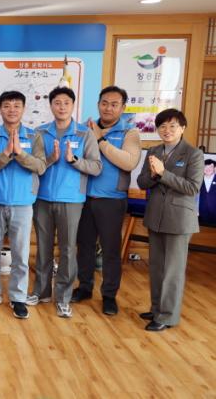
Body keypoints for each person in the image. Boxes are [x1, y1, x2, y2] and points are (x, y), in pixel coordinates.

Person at [28, 87, 102, 318]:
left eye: (66, 103)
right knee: (43, 247)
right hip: (42, 198)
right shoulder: (39, 132)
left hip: (71, 200)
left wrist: (74, 160)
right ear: (51, 105)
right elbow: (34, 165)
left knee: (68, 249)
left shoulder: (84, 134)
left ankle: (63, 298)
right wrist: (51, 159)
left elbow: (96, 167)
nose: (61, 107)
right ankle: (41, 292)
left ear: (73, 105)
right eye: (57, 103)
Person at [0, 91, 46, 320]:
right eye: (6, 105)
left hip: (23, 203)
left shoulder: (34, 136)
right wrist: (7, 152)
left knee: (20, 255)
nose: (12, 110)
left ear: (23, 109)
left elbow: (40, 167)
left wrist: (20, 153)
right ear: (0, 109)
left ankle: (18, 297)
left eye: (17, 105)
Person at [72, 86, 141, 315]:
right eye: (104, 103)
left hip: (112, 200)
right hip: (84, 198)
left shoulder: (130, 132)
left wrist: (100, 140)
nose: (108, 108)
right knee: (84, 246)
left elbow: (128, 162)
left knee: (111, 250)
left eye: (114, 104)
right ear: (98, 104)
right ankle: (84, 287)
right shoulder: (85, 128)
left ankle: (109, 295)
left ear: (123, 107)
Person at [137, 108, 203, 331]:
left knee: (172, 271)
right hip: (155, 215)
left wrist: (163, 173)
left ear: (182, 128)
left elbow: (192, 187)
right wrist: (154, 174)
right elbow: (142, 182)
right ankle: (157, 308)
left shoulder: (193, 154)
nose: (167, 130)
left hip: (179, 219)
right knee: (156, 267)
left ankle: (167, 316)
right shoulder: (154, 151)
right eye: (162, 126)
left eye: (173, 126)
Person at [198, 159, 216, 225]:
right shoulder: (198, 180)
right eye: (205, 167)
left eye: (210, 167)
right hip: (201, 213)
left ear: (214, 168)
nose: (208, 169)